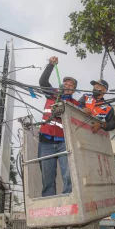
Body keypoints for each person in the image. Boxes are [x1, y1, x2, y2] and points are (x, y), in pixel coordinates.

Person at [38, 55, 79, 196]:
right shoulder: (53, 94)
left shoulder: (75, 104)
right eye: (66, 84)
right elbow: (43, 81)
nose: (67, 86)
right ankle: (50, 205)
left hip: (64, 143)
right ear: (62, 85)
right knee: (47, 179)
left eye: (71, 86)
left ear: (74, 91)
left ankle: (69, 199)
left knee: (68, 176)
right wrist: (50, 65)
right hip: (46, 142)